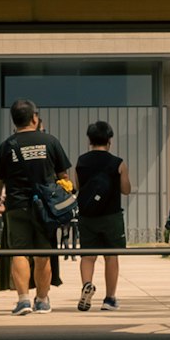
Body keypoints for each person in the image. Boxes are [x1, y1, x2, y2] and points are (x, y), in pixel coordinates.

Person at [0, 99, 71, 314]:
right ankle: (42, 300)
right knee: (43, 253)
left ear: (14, 120)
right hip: (45, 209)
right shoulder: (50, 142)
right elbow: (64, 177)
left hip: (17, 207)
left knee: (20, 252)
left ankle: (23, 300)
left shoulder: (6, 146)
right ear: (34, 117)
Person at [72, 121, 130, 310]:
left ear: (89, 139)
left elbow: (77, 188)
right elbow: (125, 190)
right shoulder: (118, 163)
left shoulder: (81, 162)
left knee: (87, 256)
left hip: (87, 216)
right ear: (109, 140)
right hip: (111, 216)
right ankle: (110, 299)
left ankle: (87, 285)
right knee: (111, 256)